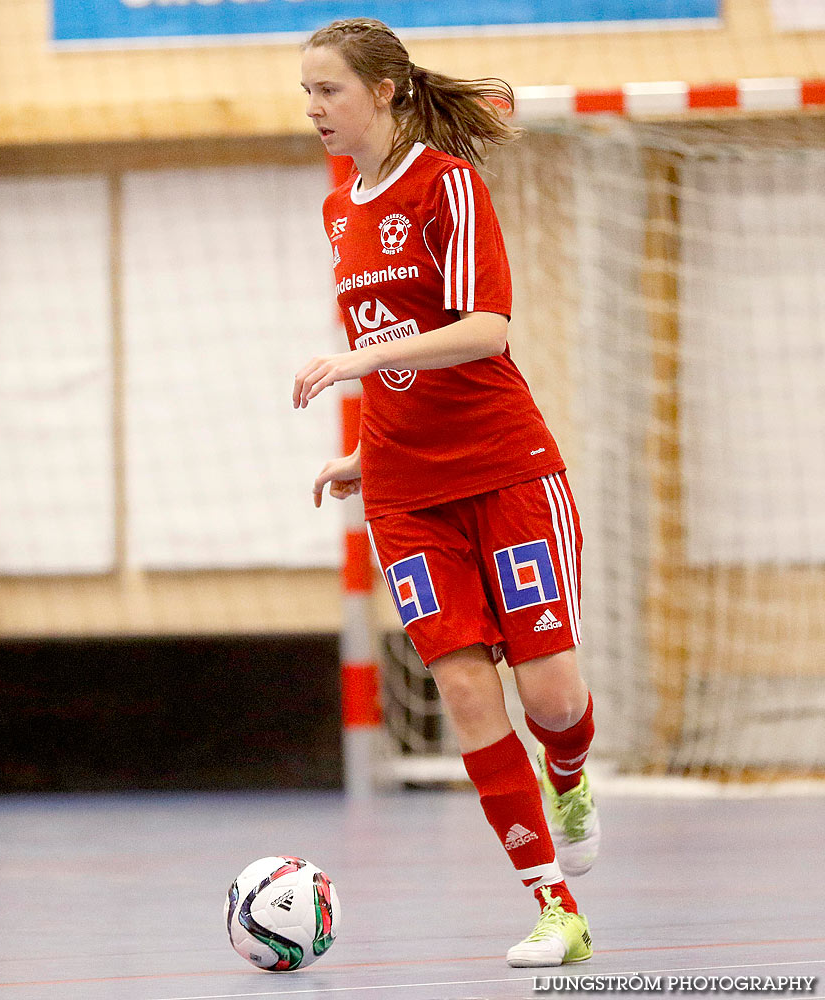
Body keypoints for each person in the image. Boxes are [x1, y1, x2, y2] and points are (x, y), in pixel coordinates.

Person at [294, 18, 600, 968]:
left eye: (328, 91)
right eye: (305, 94)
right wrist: (371, 452)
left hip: (506, 470)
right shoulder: (340, 205)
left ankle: (572, 769)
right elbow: (399, 357)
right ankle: (556, 907)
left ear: (383, 91)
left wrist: (356, 359)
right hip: (406, 493)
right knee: (466, 694)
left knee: (549, 695)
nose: (313, 109)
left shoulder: (449, 184)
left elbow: (484, 330)